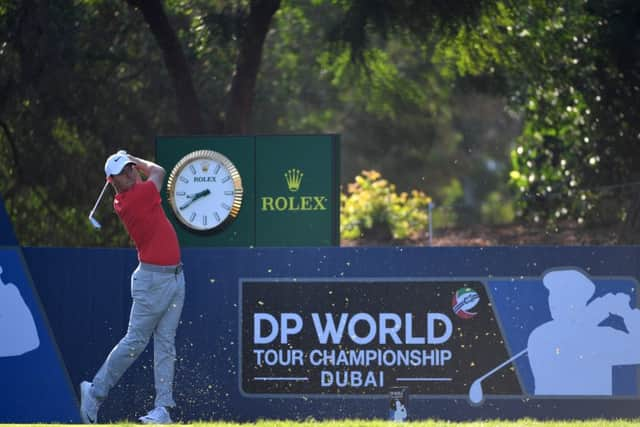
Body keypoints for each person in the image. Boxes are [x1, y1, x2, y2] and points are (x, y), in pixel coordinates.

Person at [80, 151, 185, 424]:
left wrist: (128, 161)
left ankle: (163, 409)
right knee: (135, 342)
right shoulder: (134, 198)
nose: (131, 173)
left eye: (130, 169)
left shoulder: (132, 192)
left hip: (174, 277)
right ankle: (95, 391)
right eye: (125, 171)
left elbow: (150, 175)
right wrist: (134, 157)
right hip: (153, 282)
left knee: (165, 345)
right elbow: (160, 171)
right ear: (113, 180)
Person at [527, 268, 640, 395]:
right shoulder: (541, 336)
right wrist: (627, 313)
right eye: (552, 293)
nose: (553, 300)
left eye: (562, 295)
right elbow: (572, 337)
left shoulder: (539, 334)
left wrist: (600, 310)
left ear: (579, 301)